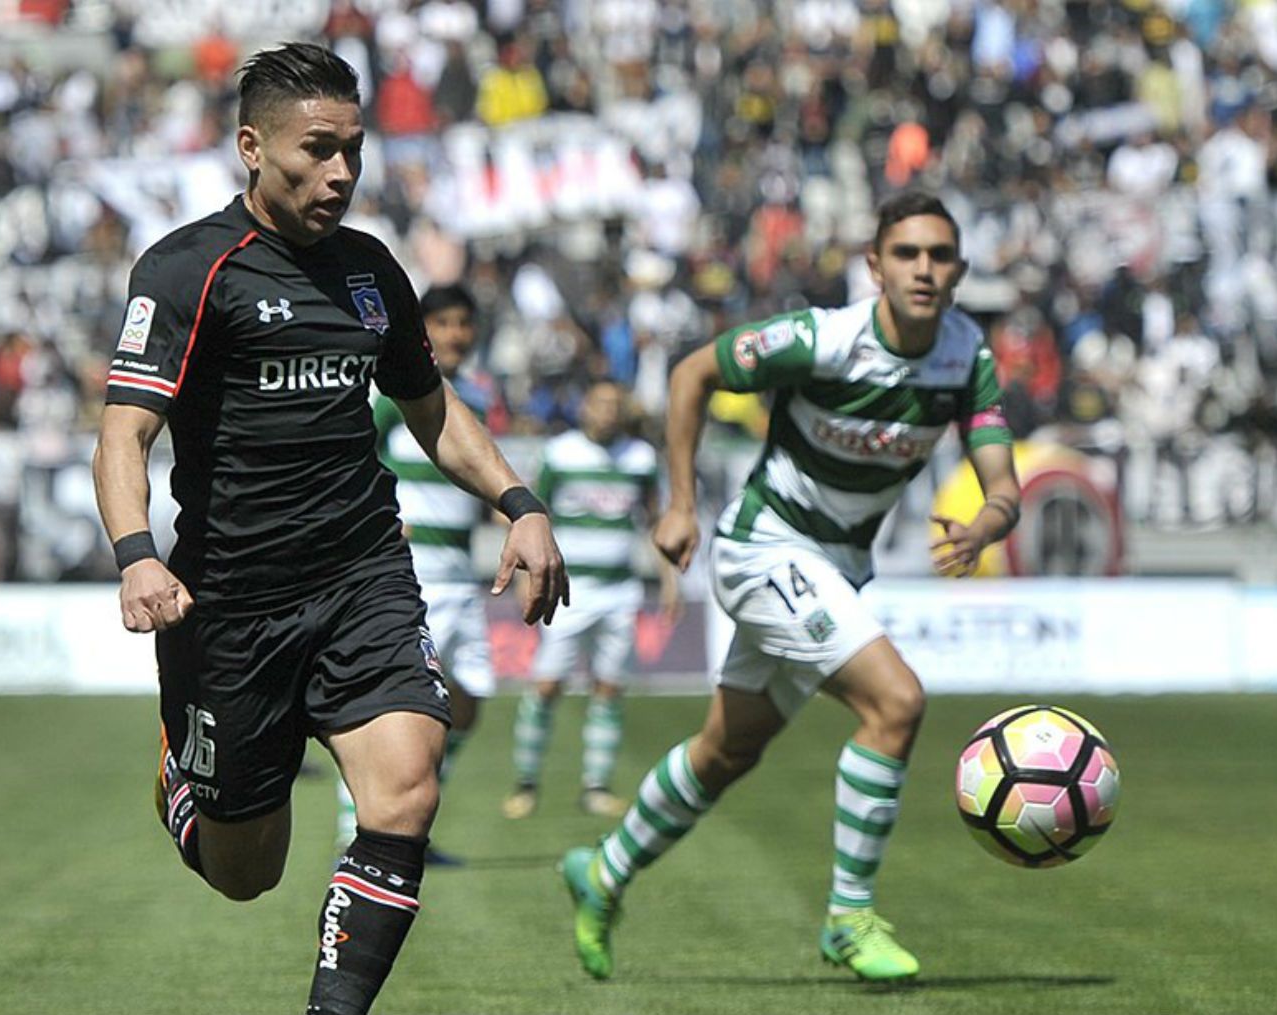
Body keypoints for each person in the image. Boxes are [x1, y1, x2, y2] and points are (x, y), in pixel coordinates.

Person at [92, 44, 566, 1015]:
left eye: (353, 149)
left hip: (363, 575)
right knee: (245, 871)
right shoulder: (188, 269)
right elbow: (123, 433)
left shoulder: (370, 271)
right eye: (318, 149)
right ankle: (186, 779)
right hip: (233, 603)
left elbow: (432, 409)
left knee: (406, 791)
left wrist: (518, 503)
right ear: (252, 147)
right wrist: (138, 557)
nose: (341, 172)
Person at [560, 192, 1021, 983]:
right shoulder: (823, 338)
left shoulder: (965, 356)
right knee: (896, 702)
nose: (923, 269)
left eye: (940, 255)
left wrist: (986, 522)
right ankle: (848, 917)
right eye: (906, 253)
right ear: (874, 266)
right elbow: (693, 372)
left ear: (960, 271)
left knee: (727, 749)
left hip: (833, 571)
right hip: (763, 548)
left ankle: (603, 870)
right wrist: (680, 503)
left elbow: (1004, 484)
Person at [334, 283, 507, 863]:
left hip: (462, 576)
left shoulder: (475, 399)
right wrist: (376, 512)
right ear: (422, 328)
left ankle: (412, 822)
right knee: (385, 709)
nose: (456, 334)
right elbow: (353, 448)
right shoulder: (393, 393)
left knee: (468, 702)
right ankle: (356, 834)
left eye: (464, 323)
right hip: (409, 573)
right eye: (443, 322)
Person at [503, 379, 673, 820]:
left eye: (615, 404)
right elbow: (533, 517)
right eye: (600, 403)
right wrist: (527, 578)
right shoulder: (560, 453)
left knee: (610, 688)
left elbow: (655, 521)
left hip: (620, 590)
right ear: (585, 409)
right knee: (546, 686)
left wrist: (669, 580)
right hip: (569, 592)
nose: (608, 411)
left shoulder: (640, 457)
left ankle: (596, 787)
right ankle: (526, 783)